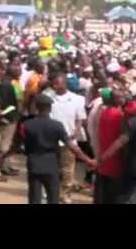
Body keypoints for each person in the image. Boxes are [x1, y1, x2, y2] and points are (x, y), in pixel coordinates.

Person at [22, 94, 96, 204]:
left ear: (36, 107)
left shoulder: (27, 124)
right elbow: (71, 146)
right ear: (50, 108)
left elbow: (16, 145)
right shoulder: (57, 125)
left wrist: (0, 155)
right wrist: (88, 160)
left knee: (34, 198)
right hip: (51, 166)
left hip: (34, 165)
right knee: (53, 198)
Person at [43, 72, 87, 204]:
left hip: (68, 140)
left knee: (68, 170)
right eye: (54, 83)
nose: (55, 85)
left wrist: (76, 130)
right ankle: (48, 192)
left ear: (64, 84)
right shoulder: (47, 97)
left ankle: (65, 194)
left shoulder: (77, 99)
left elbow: (80, 118)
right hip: (50, 140)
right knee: (50, 168)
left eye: (58, 83)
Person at [94, 89, 125, 204]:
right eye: (120, 97)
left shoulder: (105, 111)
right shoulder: (118, 115)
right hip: (114, 158)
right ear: (114, 99)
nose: (123, 99)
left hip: (104, 156)